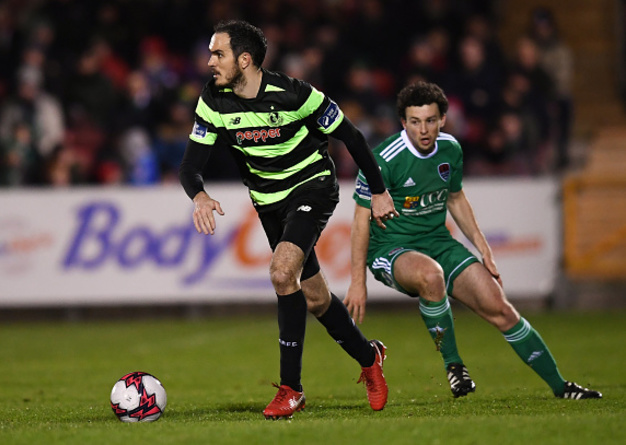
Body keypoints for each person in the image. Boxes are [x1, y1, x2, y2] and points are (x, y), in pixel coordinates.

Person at [179, 20, 399, 419]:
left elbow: (351, 137)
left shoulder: (296, 94)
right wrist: (199, 195)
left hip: (312, 187)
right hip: (267, 202)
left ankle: (291, 389)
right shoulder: (212, 101)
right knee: (314, 296)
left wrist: (380, 189)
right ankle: (369, 358)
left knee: (282, 273)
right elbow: (190, 165)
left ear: (245, 60)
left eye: (218, 54)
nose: (209, 61)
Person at [345, 81, 602, 400]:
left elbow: (455, 198)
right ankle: (455, 367)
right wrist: (358, 281)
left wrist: (484, 249)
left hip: (439, 243)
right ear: (403, 122)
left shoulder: (451, 149)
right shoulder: (383, 159)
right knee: (431, 275)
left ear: (442, 119)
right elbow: (359, 220)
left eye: (430, 120)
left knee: (502, 309)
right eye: (415, 121)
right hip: (392, 249)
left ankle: (561, 387)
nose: (423, 130)